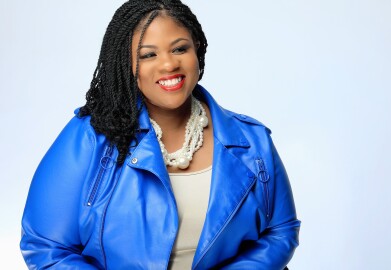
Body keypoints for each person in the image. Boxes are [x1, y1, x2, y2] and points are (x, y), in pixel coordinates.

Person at [20, 0, 300, 269]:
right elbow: (47, 247)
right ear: (125, 65)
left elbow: (280, 231)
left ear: (197, 50)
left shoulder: (252, 140)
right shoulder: (91, 136)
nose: (169, 65)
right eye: (148, 54)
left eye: (180, 49)